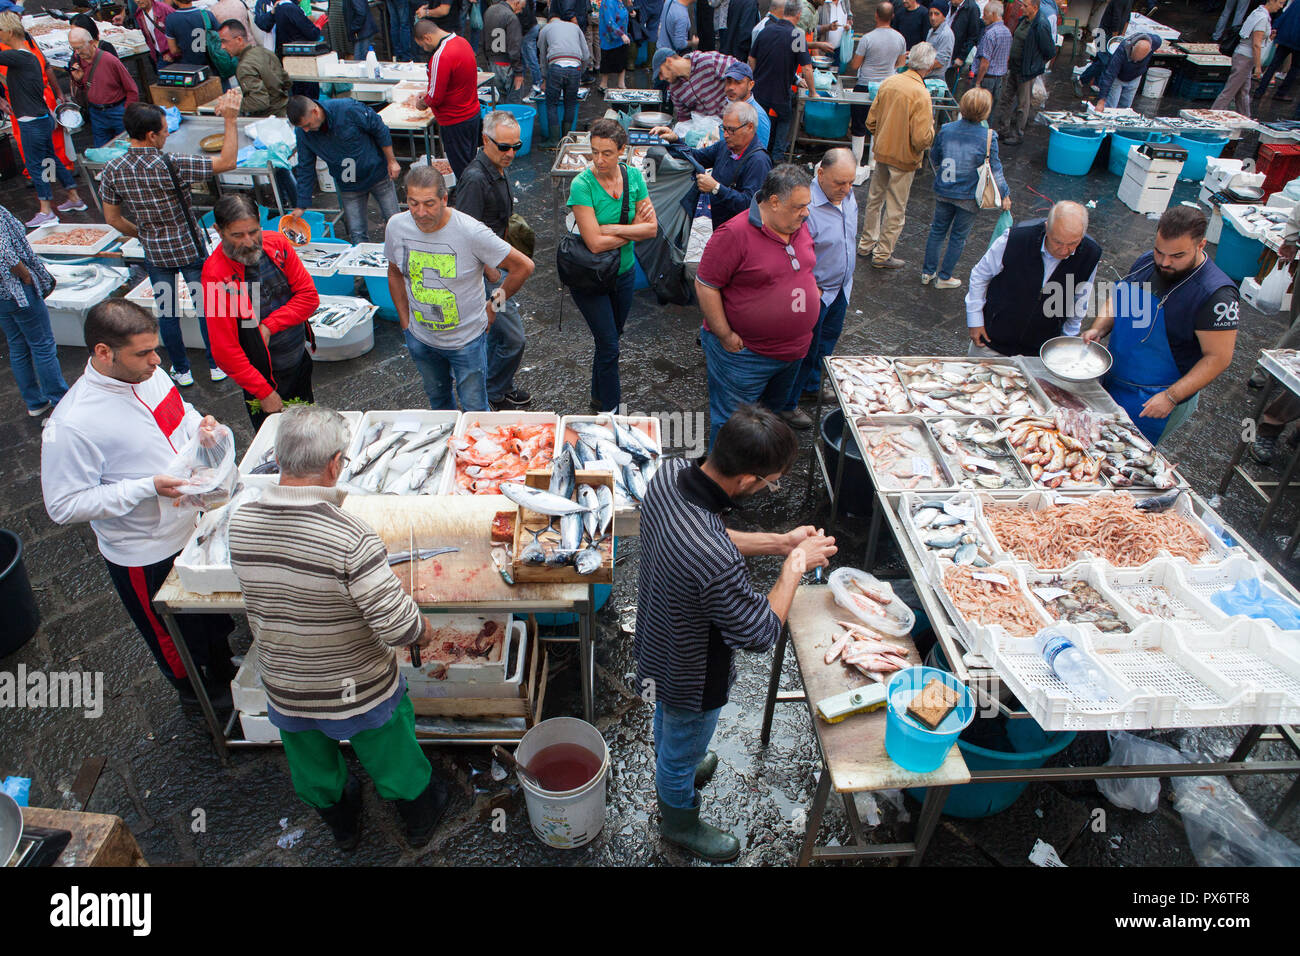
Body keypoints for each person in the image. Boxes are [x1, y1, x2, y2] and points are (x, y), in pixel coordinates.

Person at [227, 404, 452, 851]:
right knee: (392, 753)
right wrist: (423, 630)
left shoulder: (241, 521)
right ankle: (419, 817)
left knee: (311, 764)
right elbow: (396, 625)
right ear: (334, 465)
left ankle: (343, 827)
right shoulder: (350, 537)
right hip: (358, 685)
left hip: (286, 683)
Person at [634, 404, 836, 861]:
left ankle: (676, 764)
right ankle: (678, 817)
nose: (771, 487)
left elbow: (708, 535)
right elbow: (761, 632)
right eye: (770, 480)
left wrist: (781, 541)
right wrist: (794, 566)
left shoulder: (669, 476)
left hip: (656, 635)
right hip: (692, 670)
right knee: (682, 740)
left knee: (669, 721)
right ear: (747, 480)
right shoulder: (714, 560)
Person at [41, 300, 235, 710]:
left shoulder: (152, 375)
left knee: (211, 616)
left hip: (192, 523)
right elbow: (62, 506)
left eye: (155, 348)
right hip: (143, 550)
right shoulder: (72, 423)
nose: (156, 360)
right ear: (103, 352)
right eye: (143, 353)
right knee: (173, 635)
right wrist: (145, 487)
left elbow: (179, 414)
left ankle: (224, 670)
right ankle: (196, 700)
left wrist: (201, 426)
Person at [102, 95, 243, 386]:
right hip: (189, 248)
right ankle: (216, 364)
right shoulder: (171, 164)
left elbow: (113, 219)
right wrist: (230, 119)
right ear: (151, 135)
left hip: (155, 252)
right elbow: (228, 161)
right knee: (206, 309)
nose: (168, 135)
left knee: (167, 312)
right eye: (165, 131)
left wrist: (142, 233)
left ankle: (182, 369)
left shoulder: (113, 170)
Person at [1084, 206, 1239, 445]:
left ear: (1201, 245)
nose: (1164, 262)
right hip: (1112, 380)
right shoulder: (1148, 261)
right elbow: (1119, 299)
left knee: (1123, 457)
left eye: (1177, 256)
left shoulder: (1216, 295)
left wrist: (1171, 397)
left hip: (1153, 400)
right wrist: (1099, 328)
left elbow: (1218, 358)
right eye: (1159, 251)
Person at [387, 166, 535, 410]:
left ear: (445, 199)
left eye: (429, 203)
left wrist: (494, 307)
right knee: (439, 405)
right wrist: (406, 324)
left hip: (466, 342)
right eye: (413, 204)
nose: (420, 213)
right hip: (421, 339)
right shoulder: (396, 226)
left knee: (475, 409)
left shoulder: (470, 231)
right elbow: (394, 273)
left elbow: (523, 267)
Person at [696, 165, 819, 446]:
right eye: (799, 206)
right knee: (733, 425)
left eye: (807, 205)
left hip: (792, 353)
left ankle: (756, 469)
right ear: (774, 202)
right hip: (745, 356)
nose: (806, 213)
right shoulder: (733, 234)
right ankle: (722, 484)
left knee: (768, 419)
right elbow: (706, 284)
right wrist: (725, 334)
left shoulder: (798, 225)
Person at [202, 193, 318, 431]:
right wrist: (264, 392)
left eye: (253, 232)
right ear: (219, 230)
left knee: (309, 430)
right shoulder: (216, 275)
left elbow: (309, 298)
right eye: (237, 235)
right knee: (275, 440)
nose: (248, 241)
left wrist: (268, 326)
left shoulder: (277, 244)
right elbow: (225, 350)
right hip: (262, 376)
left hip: (298, 359)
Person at [565, 118, 657, 412]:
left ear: (622, 151)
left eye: (607, 153)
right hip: (590, 278)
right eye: (594, 152)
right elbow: (593, 243)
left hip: (623, 274)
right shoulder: (582, 185)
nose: (599, 160)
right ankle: (611, 412)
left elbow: (652, 230)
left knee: (609, 342)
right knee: (610, 346)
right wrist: (631, 229)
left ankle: (597, 396)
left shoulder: (634, 178)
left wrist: (610, 229)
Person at [454, 110, 534, 410]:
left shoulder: (497, 167)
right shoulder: (475, 180)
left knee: (497, 331)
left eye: (516, 146)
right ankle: (495, 390)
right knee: (512, 336)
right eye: (504, 147)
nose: (511, 153)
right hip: (489, 275)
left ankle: (495, 386)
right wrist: (490, 270)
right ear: (485, 141)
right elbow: (466, 231)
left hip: (497, 266)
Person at [781, 149, 857, 426]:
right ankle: (788, 404)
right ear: (820, 174)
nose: (846, 189)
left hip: (841, 289)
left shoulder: (848, 196)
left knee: (826, 344)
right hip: (816, 293)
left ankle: (811, 387)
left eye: (850, 182)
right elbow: (794, 256)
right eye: (839, 183)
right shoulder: (805, 207)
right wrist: (812, 290)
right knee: (804, 349)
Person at [965, 200, 1099, 357]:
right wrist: (975, 319)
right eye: (1057, 242)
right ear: (1047, 227)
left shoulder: (1090, 254)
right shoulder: (1015, 239)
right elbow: (980, 275)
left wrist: (1067, 338)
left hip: (1040, 351)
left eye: (1073, 244)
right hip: (992, 341)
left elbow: (1081, 297)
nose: (1064, 250)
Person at [857, 42, 936, 270]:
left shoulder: (889, 82)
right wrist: (931, 129)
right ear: (928, 67)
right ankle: (882, 254)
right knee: (895, 208)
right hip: (904, 158)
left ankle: (865, 245)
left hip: (882, 152)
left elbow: (871, 121)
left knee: (874, 200)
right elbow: (922, 138)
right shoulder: (921, 94)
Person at [923, 87, 1010, 288]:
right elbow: (996, 169)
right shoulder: (988, 136)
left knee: (937, 231)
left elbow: (935, 157)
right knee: (958, 237)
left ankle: (927, 272)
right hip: (970, 196)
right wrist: (1005, 193)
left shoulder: (946, 129)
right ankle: (944, 277)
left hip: (944, 190)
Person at [0, 23, 86, 227]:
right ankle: (74, 197)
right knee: (51, 158)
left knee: (35, 164)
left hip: (31, 121)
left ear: (9, 32)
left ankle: (46, 210)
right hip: (41, 116)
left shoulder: (18, 56)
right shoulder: (28, 54)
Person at [288, 95, 401, 244]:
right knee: (357, 233)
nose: (306, 130)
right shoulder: (303, 134)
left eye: (307, 125)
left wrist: (391, 161)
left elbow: (379, 129)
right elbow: (305, 167)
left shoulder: (347, 109)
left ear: (315, 112)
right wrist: (301, 205)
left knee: (395, 223)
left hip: (376, 175)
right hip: (348, 185)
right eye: (302, 127)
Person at [0, 206, 66, 416]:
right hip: (17, 290)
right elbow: (4, 252)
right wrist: (26, 275)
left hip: (3, 296)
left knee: (18, 345)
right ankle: (59, 400)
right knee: (42, 345)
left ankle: (35, 402)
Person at [404, 17, 482, 176]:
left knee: (463, 171)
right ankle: (476, 195)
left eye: (424, 45)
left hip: (455, 121)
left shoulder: (441, 56)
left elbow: (435, 98)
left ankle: (470, 198)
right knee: (471, 164)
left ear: (427, 37)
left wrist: (421, 103)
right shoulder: (462, 42)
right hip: (472, 115)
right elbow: (453, 83)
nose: (426, 49)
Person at [686, 100, 772, 228]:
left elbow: (749, 205)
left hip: (738, 233)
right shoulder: (726, 146)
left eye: (731, 130)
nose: (725, 135)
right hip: (718, 225)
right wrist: (674, 141)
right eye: (724, 128)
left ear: (749, 127)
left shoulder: (758, 161)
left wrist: (716, 188)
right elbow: (697, 156)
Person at [847, 3, 907, 181]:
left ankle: (856, 162)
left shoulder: (867, 38)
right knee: (880, 125)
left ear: (876, 15)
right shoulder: (900, 39)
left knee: (859, 124)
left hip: (865, 85)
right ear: (893, 16)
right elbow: (901, 63)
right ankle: (874, 162)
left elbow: (855, 65)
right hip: (887, 87)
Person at [749, 0, 815, 160]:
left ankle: (757, 153)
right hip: (781, 91)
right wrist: (813, 92)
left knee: (762, 121)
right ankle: (777, 156)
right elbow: (806, 68)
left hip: (760, 89)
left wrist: (754, 78)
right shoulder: (797, 34)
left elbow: (752, 58)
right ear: (798, 14)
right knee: (785, 118)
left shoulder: (766, 30)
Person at [990, 0, 1055, 146]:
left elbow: (1049, 51)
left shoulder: (1041, 25)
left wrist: (1034, 65)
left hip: (1026, 71)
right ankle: (1002, 129)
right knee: (1006, 98)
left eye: (1026, 6)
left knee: (1022, 104)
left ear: (1035, 7)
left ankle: (1017, 133)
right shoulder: (1024, 20)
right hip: (1014, 67)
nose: (1022, 8)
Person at [68, 27, 138, 148]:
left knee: (126, 148)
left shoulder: (110, 61)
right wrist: (78, 80)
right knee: (102, 151)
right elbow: (85, 88)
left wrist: (128, 113)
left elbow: (132, 89)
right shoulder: (78, 61)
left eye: (79, 48)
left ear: (90, 43)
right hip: (96, 113)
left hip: (117, 111)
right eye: (73, 48)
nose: (76, 52)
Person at [1214, 0, 1283, 115]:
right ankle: (1212, 115)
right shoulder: (1262, 18)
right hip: (1245, 58)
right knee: (1229, 92)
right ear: (1271, 1)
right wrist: (1258, 67)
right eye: (1280, 3)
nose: (1280, 7)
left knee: (1243, 92)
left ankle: (1245, 117)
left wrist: (1269, 37)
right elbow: (1256, 44)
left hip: (1243, 57)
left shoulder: (1258, 12)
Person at [220, 20, 290, 117]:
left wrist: (231, 105)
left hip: (267, 119)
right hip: (284, 111)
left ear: (239, 40)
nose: (222, 46)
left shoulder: (244, 66)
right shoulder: (265, 52)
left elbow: (259, 101)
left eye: (224, 41)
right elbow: (287, 81)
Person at [653, 48, 733, 121]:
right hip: (707, 131)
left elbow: (740, 70)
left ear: (669, 62)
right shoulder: (675, 89)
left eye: (661, 73)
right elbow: (684, 118)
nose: (661, 78)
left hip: (732, 122)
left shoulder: (707, 60)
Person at [1093, 33, 1160, 109]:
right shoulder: (1121, 51)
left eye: (1138, 60)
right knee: (1111, 106)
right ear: (1133, 47)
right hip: (1118, 78)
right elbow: (1109, 75)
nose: (1135, 60)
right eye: (1133, 57)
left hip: (1135, 77)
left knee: (1125, 106)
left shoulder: (1156, 42)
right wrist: (1101, 100)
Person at [484, 0, 526, 102]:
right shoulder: (511, 17)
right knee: (513, 103)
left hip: (492, 63)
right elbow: (514, 48)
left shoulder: (489, 11)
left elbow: (483, 38)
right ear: (516, 3)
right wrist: (519, 73)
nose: (520, 11)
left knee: (498, 102)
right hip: (507, 65)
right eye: (521, 8)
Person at [1258, 0, 1300, 102]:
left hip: (1285, 37)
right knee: (1295, 68)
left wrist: (1276, 27)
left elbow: (1285, 15)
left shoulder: (1296, 2)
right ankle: (1281, 93)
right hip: (1297, 42)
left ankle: (1260, 90)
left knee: (1274, 65)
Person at [115, 0, 177, 65]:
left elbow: (182, 33)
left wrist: (172, 54)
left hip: (173, 56)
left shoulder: (165, 9)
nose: (138, 1)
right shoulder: (139, 13)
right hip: (159, 55)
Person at [972, 1, 1010, 102]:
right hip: (999, 80)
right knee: (990, 112)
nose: (983, 17)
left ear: (993, 14)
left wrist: (978, 82)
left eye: (985, 14)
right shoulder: (1007, 32)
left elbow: (985, 63)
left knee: (979, 110)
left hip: (986, 79)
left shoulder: (990, 34)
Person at [948, 0, 983, 91]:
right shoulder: (950, 5)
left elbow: (973, 36)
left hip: (955, 56)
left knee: (949, 85)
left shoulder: (972, 8)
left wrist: (961, 57)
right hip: (944, 49)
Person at [597, 0, 632, 90]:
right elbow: (609, 21)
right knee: (607, 62)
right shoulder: (608, 2)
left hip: (622, 37)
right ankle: (603, 85)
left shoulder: (620, 1)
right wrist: (622, 34)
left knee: (623, 60)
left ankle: (621, 84)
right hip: (609, 38)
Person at [925, 0, 956, 76]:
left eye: (936, 14)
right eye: (930, 14)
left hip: (935, 78)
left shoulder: (946, 34)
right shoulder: (931, 31)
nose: (932, 18)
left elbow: (940, 62)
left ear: (944, 16)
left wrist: (917, 65)